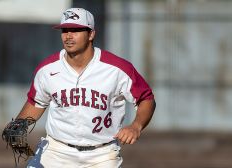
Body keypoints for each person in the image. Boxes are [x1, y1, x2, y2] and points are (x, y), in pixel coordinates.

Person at [16, 8, 156, 167]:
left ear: (91, 34)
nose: (68, 36)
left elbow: (146, 98)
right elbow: (36, 102)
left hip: (101, 154)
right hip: (57, 151)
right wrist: (19, 125)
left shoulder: (117, 68)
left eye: (75, 30)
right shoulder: (47, 69)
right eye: (65, 30)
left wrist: (136, 126)